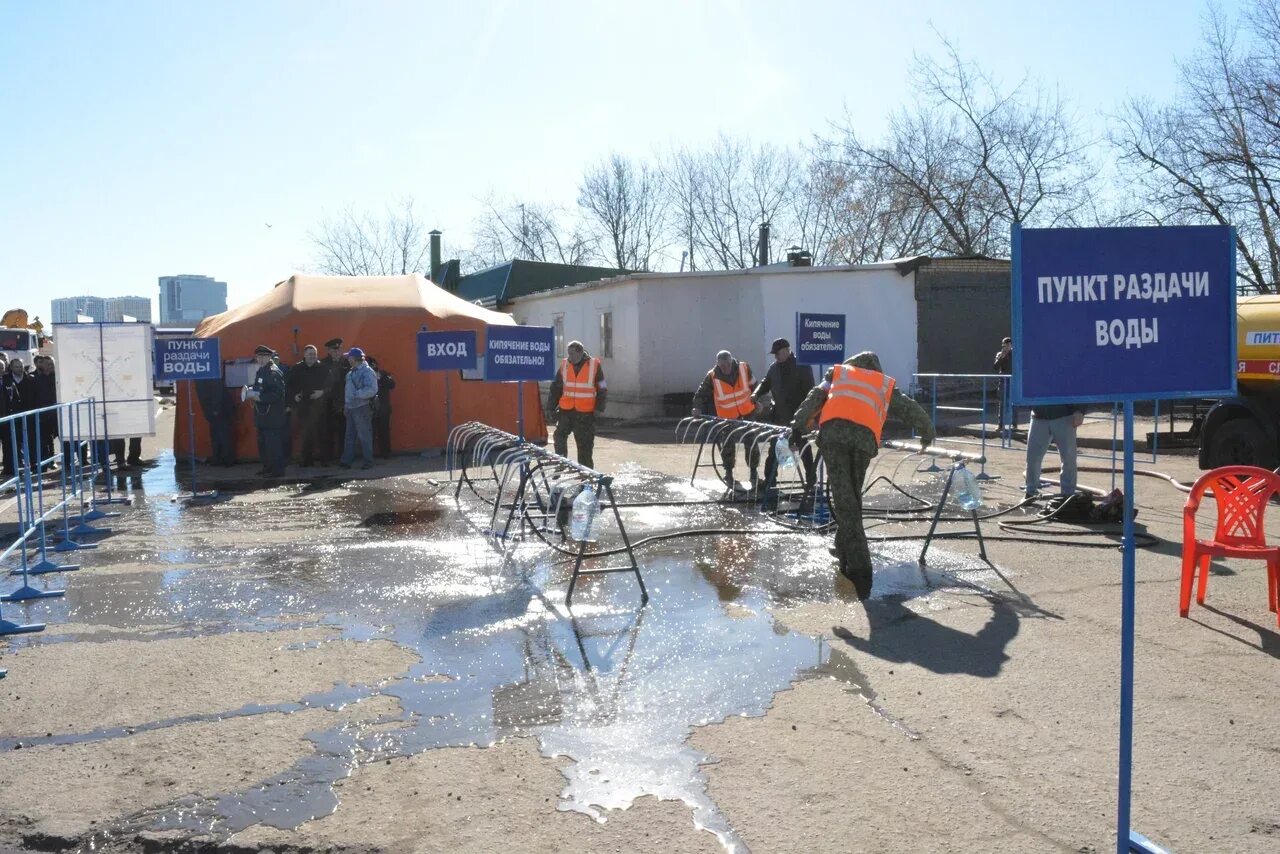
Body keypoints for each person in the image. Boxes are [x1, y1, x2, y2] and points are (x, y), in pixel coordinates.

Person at [790, 351, 936, 600]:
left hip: (835, 439)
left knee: (846, 501)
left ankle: (860, 567)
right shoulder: (883, 383)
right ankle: (842, 548)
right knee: (850, 499)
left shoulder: (838, 375)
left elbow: (814, 397)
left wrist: (797, 426)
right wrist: (927, 431)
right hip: (863, 443)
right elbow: (908, 408)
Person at [751, 338, 816, 506]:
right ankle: (770, 481)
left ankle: (811, 483)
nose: (776, 357)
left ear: (787, 350)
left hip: (798, 418)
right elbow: (766, 383)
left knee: (804, 452)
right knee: (774, 451)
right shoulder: (774, 368)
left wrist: (809, 417)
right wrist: (756, 394)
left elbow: (811, 394)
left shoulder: (802, 367)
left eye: (778, 353)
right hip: (779, 416)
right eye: (774, 354)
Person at [692, 350, 760, 490]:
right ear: (717, 364)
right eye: (722, 366)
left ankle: (754, 473)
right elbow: (701, 393)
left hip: (747, 411)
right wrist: (697, 408)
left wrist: (759, 401)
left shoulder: (744, 368)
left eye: (727, 365)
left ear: (731, 361)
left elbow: (756, 386)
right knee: (728, 444)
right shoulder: (712, 376)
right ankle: (728, 473)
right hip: (727, 415)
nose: (725, 368)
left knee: (752, 442)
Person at [546, 340, 606, 468]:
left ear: (581, 352)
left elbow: (602, 387)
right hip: (566, 409)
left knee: (584, 444)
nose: (570, 357)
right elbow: (556, 387)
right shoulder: (565, 364)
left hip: (585, 413)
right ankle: (561, 463)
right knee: (559, 436)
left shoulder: (594, 365)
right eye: (568, 354)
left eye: (572, 354)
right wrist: (550, 407)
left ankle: (586, 474)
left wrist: (599, 408)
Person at [1025, 403, 1086, 499]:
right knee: (1032, 457)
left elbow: (1080, 387)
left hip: (1064, 415)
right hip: (1039, 416)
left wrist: (1080, 410)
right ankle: (1030, 492)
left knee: (1068, 458)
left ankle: (1068, 494)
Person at [245, 345, 288, 478]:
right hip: (262, 415)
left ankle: (277, 470)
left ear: (269, 357)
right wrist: (251, 392)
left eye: (264, 356)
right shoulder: (261, 371)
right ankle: (268, 467)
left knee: (273, 444)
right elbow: (261, 388)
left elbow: (278, 394)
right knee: (264, 444)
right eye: (259, 356)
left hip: (272, 416)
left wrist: (260, 397)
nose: (261, 359)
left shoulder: (273, 372)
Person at [286, 345, 330, 467]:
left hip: (320, 406)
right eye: (310, 354)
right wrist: (294, 397)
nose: (312, 356)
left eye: (314, 354)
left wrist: (322, 392)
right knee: (306, 434)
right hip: (304, 406)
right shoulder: (297, 368)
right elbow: (289, 386)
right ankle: (307, 461)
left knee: (323, 433)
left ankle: (325, 460)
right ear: (304, 355)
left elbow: (331, 385)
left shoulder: (323, 368)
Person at [339, 347, 377, 470]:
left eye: (349, 357)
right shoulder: (351, 372)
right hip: (351, 407)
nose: (347, 359)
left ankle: (368, 461)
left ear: (354, 359)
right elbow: (347, 391)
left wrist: (357, 394)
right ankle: (346, 461)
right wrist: (347, 405)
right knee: (349, 435)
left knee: (364, 435)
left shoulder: (367, 371)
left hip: (362, 407)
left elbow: (372, 389)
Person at [194, 377, 236, 467]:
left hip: (220, 410)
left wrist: (215, 410)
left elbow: (218, 393)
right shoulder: (204, 376)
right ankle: (218, 458)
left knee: (223, 435)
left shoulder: (210, 375)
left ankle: (228, 459)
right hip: (213, 410)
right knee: (216, 435)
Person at [321, 338, 348, 464]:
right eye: (334, 350)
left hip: (343, 402)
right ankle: (327, 458)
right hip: (328, 403)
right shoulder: (323, 364)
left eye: (339, 349)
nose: (337, 352)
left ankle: (343, 457)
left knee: (344, 432)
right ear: (329, 351)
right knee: (327, 431)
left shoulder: (347, 362)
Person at [32, 355, 58, 469]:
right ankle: (46, 462)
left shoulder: (58, 377)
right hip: (43, 413)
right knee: (45, 439)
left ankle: (55, 461)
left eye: (51, 364)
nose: (50, 366)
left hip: (57, 412)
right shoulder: (36, 379)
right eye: (47, 364)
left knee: (58, 438)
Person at [367, 356, 396, 459]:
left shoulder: (384, 374)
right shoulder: (364, 376)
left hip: (383, 409)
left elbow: (392, 384)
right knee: (370, 433)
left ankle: (386, 453)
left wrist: (380, 378)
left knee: (384, 432)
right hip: (370, 409)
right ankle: (370, 454)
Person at [993, 336, 1016, 434]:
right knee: (1002, 403)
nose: (1005, 347)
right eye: (1004, 345)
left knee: (1013, 403)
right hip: (1003, 381)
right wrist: (1001, 357)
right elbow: (995, 367)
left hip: (1013, 381)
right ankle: (1000, 425)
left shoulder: (1015, 354)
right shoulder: (1000, 354)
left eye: (1007, 345)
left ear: (1011, 345)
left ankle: (1014, 424)